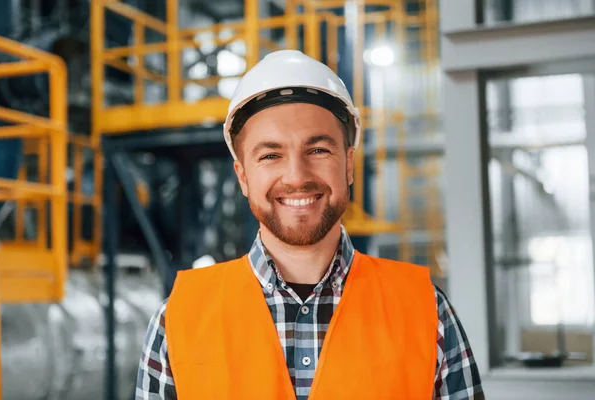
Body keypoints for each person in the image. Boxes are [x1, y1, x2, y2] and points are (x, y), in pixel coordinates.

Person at [136, 50, 484, 400]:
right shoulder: (178, 320)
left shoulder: (426, 311)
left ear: (348, 165)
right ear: (242, 176)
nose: (297, 177)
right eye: (270, 155)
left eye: (318, 150)